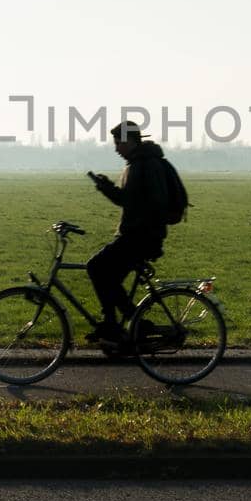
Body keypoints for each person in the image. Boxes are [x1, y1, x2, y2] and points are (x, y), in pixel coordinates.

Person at [84, 120, 170, 345]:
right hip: (139, 236)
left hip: (140, 237)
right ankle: (121, 326)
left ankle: (120, 324)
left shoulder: (144, 165)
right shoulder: (139, 163)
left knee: (96, 267)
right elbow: (129, 200)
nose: (115, 149)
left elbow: (141, 202)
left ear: (129, 141)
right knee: (108, 277)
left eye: (117, 143)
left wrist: (108, 190)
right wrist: (107, 187)